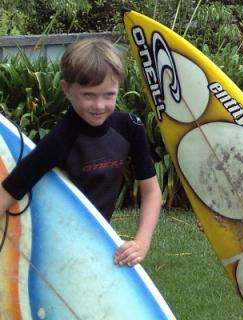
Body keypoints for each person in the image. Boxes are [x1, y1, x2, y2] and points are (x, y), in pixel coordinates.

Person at [0, 38, 161, 266]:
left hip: (97, 240)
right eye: (88, 95)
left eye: (109, 94)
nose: (99, 105)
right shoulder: (60, 139)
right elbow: (12, 188)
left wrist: (141, 242)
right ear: (67, 89)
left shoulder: (129, 127)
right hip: (53, 247)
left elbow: (151, 191)